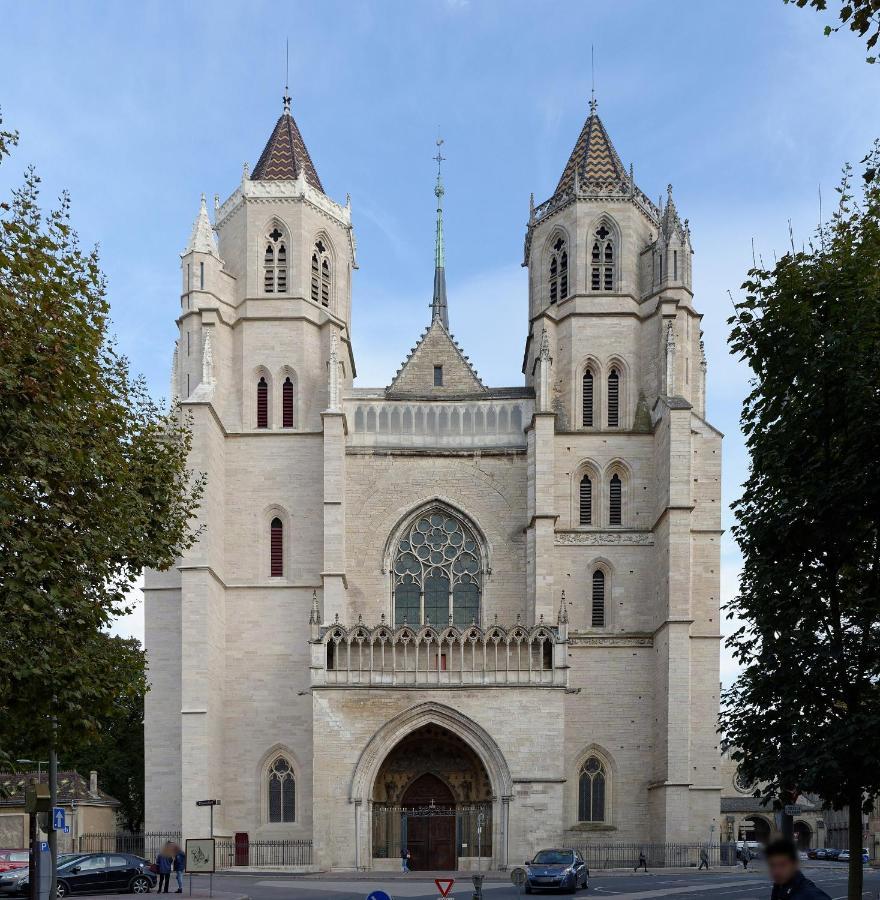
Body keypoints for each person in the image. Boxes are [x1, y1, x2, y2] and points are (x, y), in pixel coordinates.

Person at [766, 837, 831, 899]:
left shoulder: (810, 894)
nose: (776, 871)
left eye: (782, 864)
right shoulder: (778, 888)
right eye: (772, 865)